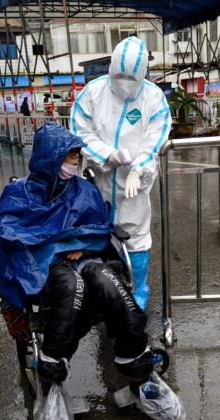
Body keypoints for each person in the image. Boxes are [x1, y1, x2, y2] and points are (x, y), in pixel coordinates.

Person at [0, 122, 183, 419]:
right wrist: (55, 248)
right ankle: (52, 381)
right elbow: (10, 235)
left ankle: (141, 376)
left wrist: (86, 245)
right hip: (49, 267)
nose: (75, 162)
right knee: (71, 288)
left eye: (77, 156)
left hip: (89, 259)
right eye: (69, 157)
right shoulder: (19, 194)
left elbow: (100, 228)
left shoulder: (84, 190)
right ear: (50, 158)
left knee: (110, 285)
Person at [70, 36, 171, 310]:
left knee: (135, 236)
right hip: (97, 179)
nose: (124, 81)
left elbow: (156, 140)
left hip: (132, 185)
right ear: (110, 68)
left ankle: (137, 292)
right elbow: (81, 132)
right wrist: (106, 154)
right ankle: (100, 293)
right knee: (94, 233)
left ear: (142, 75)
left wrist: (139, 169)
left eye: (130, 77)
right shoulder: (92, 93)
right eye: (118, 74)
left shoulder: (154, 99)